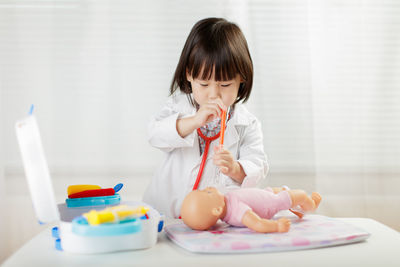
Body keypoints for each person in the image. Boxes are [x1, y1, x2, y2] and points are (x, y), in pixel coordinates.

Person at [143, 17, 268, 218]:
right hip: (166, 213)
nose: (213, 94)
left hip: (213, 219)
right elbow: (155, 134)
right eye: (203, 84)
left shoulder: (247, 125)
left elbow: (257, 166)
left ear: (242, 77)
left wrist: (235, 168)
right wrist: (194, 121)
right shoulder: (177, 106)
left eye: (225, 85)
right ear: (189, 75)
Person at [180, 186, 322, 233]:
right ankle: (311, 205)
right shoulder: (236, 211)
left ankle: (296, 209)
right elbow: (257, 224)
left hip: (266, 193)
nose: (209, 188)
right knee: (301, 195)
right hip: (272, 202)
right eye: (208, 193)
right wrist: (276, 226)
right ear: (217, 210)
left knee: (282, 190)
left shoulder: (227, 202)